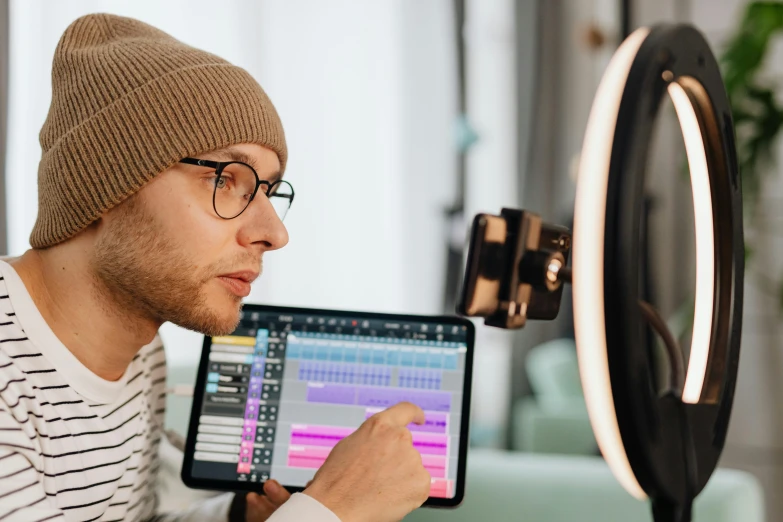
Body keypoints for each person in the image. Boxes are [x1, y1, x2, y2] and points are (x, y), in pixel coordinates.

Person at [0, 13, 431, 522]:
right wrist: (329, 512)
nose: (275, 233)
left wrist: (239, 516)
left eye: (269, 191)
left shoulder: (141, 356)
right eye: (227, 179)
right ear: (104, 187)